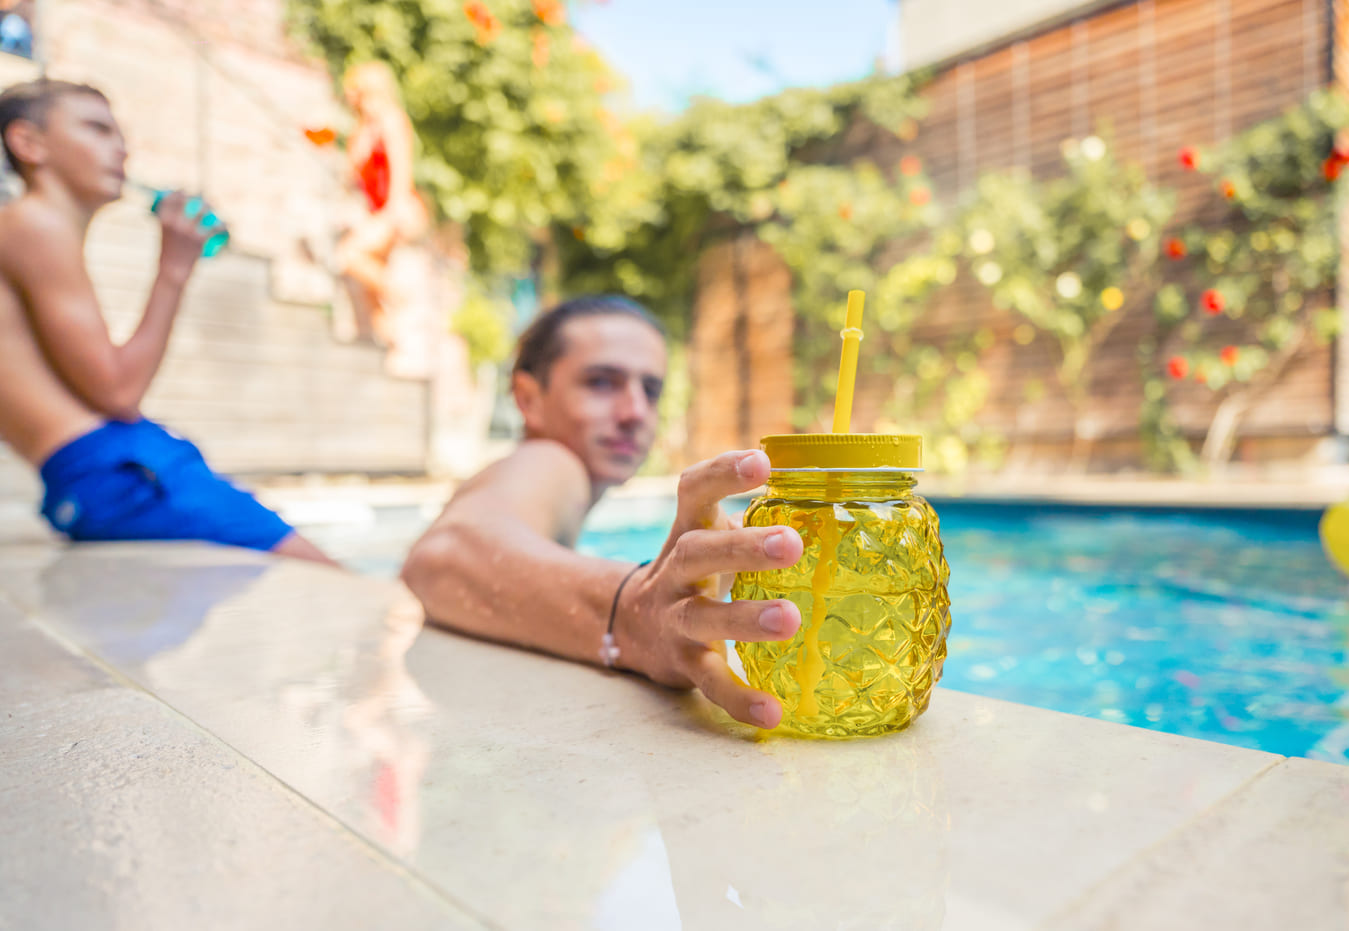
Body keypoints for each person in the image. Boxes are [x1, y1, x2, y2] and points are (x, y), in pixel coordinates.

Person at [401, 295, 806, 730]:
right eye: (601, 382)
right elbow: (445, 553)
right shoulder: (552, 464)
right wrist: (631, 612)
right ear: (528, 398)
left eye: (650, 390)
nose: (635, 412)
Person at [0, 78, 333, 563]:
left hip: (84, 474)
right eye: (96, 129)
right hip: (113, 466)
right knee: (334, 582)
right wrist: (174, 269)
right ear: (29, 143)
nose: (121, 150)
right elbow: (117, 393)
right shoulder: (34, 223)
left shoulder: (21, 228)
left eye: (119, 134)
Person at [335, 61, 429, 347]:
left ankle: (403, 295)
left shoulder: (392, 120)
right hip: (377, 212)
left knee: (347, 257)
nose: (349, 96)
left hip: (398, 210)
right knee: (370, 297)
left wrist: (392, 216)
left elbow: (401, 174)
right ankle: (391, 350)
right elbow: (354, 179)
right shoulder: (361, 130)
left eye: (354, 90)